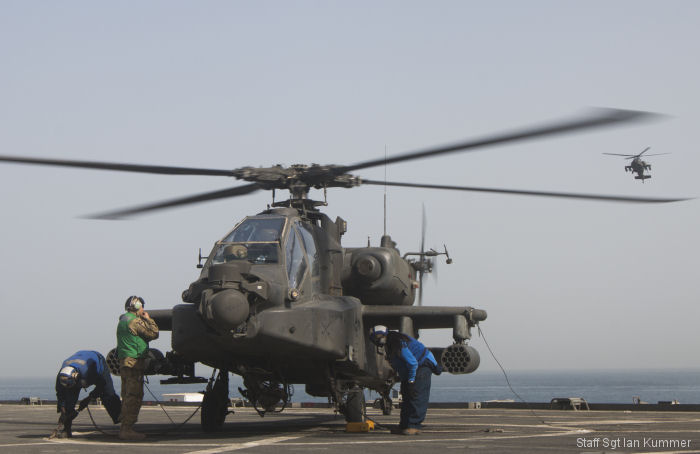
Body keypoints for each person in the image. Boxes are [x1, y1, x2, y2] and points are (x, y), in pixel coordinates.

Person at [369, 325, 441, 435]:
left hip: (422, 366)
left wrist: (411, 381)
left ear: (384, 335)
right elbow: (401, 366)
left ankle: (414, 426)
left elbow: (413, 363)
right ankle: (404, 425)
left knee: (416, 396)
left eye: (378, 337)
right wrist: (405, 382)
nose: (377, 340)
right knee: (407, 396)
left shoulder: (397, 343)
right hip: (413, 369)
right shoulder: (390, 345)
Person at [116, 295, 159, 440]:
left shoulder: (123, 319)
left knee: (127, 394)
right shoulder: (135, 321)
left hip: (124, 362)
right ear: (136, 306)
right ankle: (126, 429)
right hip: (134, 362)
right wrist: (148, 319)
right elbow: (154, 333)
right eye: (142, 307)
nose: (143, 309)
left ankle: (124, 426)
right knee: (134, 396)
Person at [54, 350, 121, 438]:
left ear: (76, 377)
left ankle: (122, 421)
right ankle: (67, 429)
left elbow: (101, 385)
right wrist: (63, 412)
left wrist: (88, 399)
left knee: (108, 394)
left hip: (97, 359)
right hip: (79, 364)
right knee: (68, 401)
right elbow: (61, 394)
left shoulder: (89, 371)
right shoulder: (62, 376)